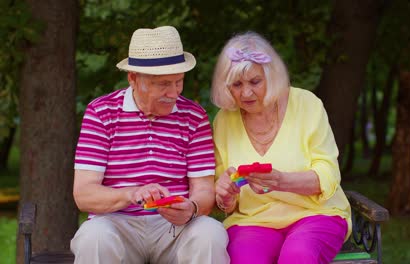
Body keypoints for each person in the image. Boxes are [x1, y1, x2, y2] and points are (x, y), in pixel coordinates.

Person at [70, 26, 229, 264]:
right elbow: (84, 194)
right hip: (117, 224)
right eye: (163, 84)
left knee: (210, 233)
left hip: (175, 229)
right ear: (133, 78)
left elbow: (204, 190)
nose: (174, 92)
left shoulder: (194, 116)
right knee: (93, 236)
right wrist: (132, 194)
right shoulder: (101, 112)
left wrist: (192, 207)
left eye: (179, 81)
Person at [211, 31, 352, 264]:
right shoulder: (224, 120)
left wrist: (281, 181)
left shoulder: (307, 104)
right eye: (237, 84)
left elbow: (328, 175)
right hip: (253, 221)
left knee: (298, 256)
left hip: (315, 216)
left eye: (255, 82)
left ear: (272, 76)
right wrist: (225, 193)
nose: (246, 93)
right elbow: (227, 200)